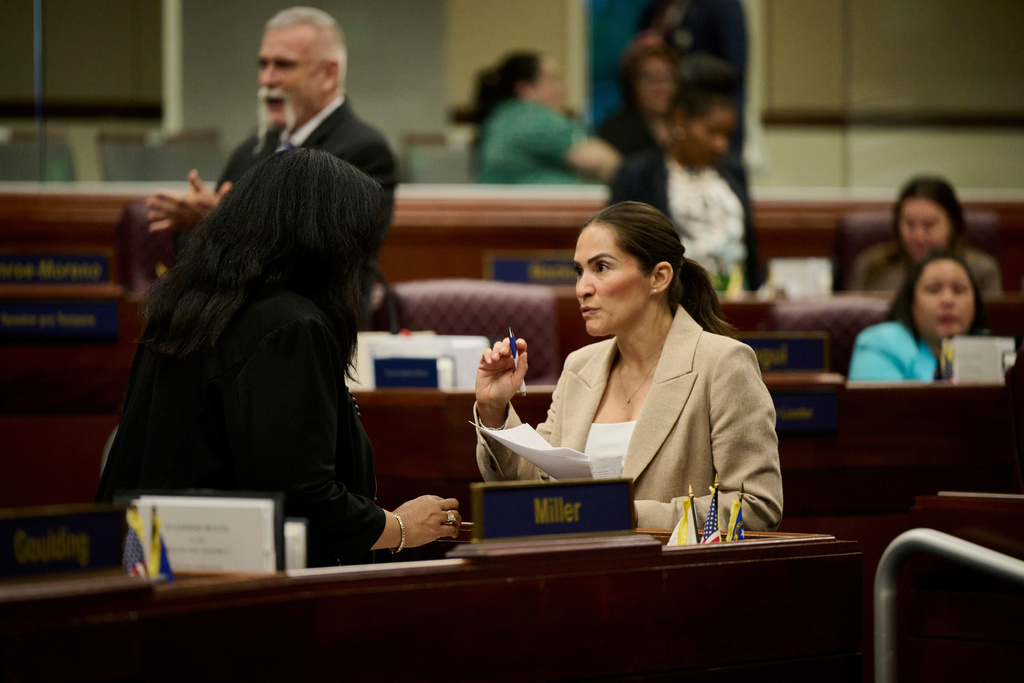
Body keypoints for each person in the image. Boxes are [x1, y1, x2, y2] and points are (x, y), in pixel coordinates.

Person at [96, 149, 460, 567]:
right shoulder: (290, 327)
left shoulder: (186, 305)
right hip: (233, 589)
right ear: (326, 241)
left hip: (146, 563)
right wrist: (398, 528)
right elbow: (300, 497)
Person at [472, 201, 782, 533]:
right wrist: (494, 410)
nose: (582, 288)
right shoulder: (580, 367)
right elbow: (538, 489)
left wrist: (631, 515)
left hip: (671, 577)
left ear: (659, 277)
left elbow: (755, 506)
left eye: (601, 268)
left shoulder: (722, 364)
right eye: (579, 271)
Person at [146, 6, 396, 248]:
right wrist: (192, 220)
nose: (267, 80)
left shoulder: (363, 152)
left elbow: (319, 262)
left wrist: (219, 222)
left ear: (329, 74)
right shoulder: (251, 151)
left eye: (284, 65)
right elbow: (194, 256)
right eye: (263, 64)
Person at [610, 54, 760, 289]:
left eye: (727, 135)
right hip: (666, 305)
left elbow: (750, 257)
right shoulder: (639, 174)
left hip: (736, 305)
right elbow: (620, 255)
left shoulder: (733, 171)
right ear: (679, 121)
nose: (721, 145)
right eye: (712, 133)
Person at [475, 51, 621, 184]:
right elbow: (598, 160)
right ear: (526, 89)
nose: (562, 89)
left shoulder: (501, 117)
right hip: (535, 210)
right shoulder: (531, 116)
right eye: (553, 80)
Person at [848, 251, 989, 381]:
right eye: (933, 290)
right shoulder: (881, 345)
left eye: (958, 290)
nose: (948, 300)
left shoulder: (991, 346)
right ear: (911, 302)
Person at [849, 176, 1002, 293]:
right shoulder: (871, 267)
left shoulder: (982, 271)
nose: (918, 236)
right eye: (910, 224)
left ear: (953, 224)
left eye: (929, 225)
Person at [597, 40, 678, 157]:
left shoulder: (690, 128)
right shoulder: (614, 132)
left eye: (667, 77)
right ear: (633, 84)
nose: (661, 87)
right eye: (651, 79)